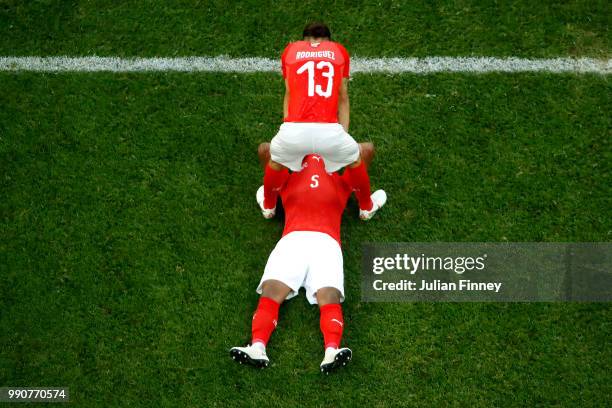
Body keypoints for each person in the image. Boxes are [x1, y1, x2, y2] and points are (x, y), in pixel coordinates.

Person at [230, 144, 386, 374]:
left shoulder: (340, 181)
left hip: (322, 243)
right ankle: (257, 347)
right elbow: (265, 150)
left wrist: (343, 152)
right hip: (298, 241)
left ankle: (331, 351)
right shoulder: (287, 179)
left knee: (329, 295)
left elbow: (368, 150)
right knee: (272, 291)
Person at [260, 22, 385, 221]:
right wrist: (342, 135)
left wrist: (287, 127)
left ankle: (268, 206)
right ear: (329, 41)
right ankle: (366, 207)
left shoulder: (291, 50)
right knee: (355, 159)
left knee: (274, 159)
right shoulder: (338, 51)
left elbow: (289, 93)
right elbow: (343, 97)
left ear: (304, 41)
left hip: (294, 130)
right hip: (329, 131)